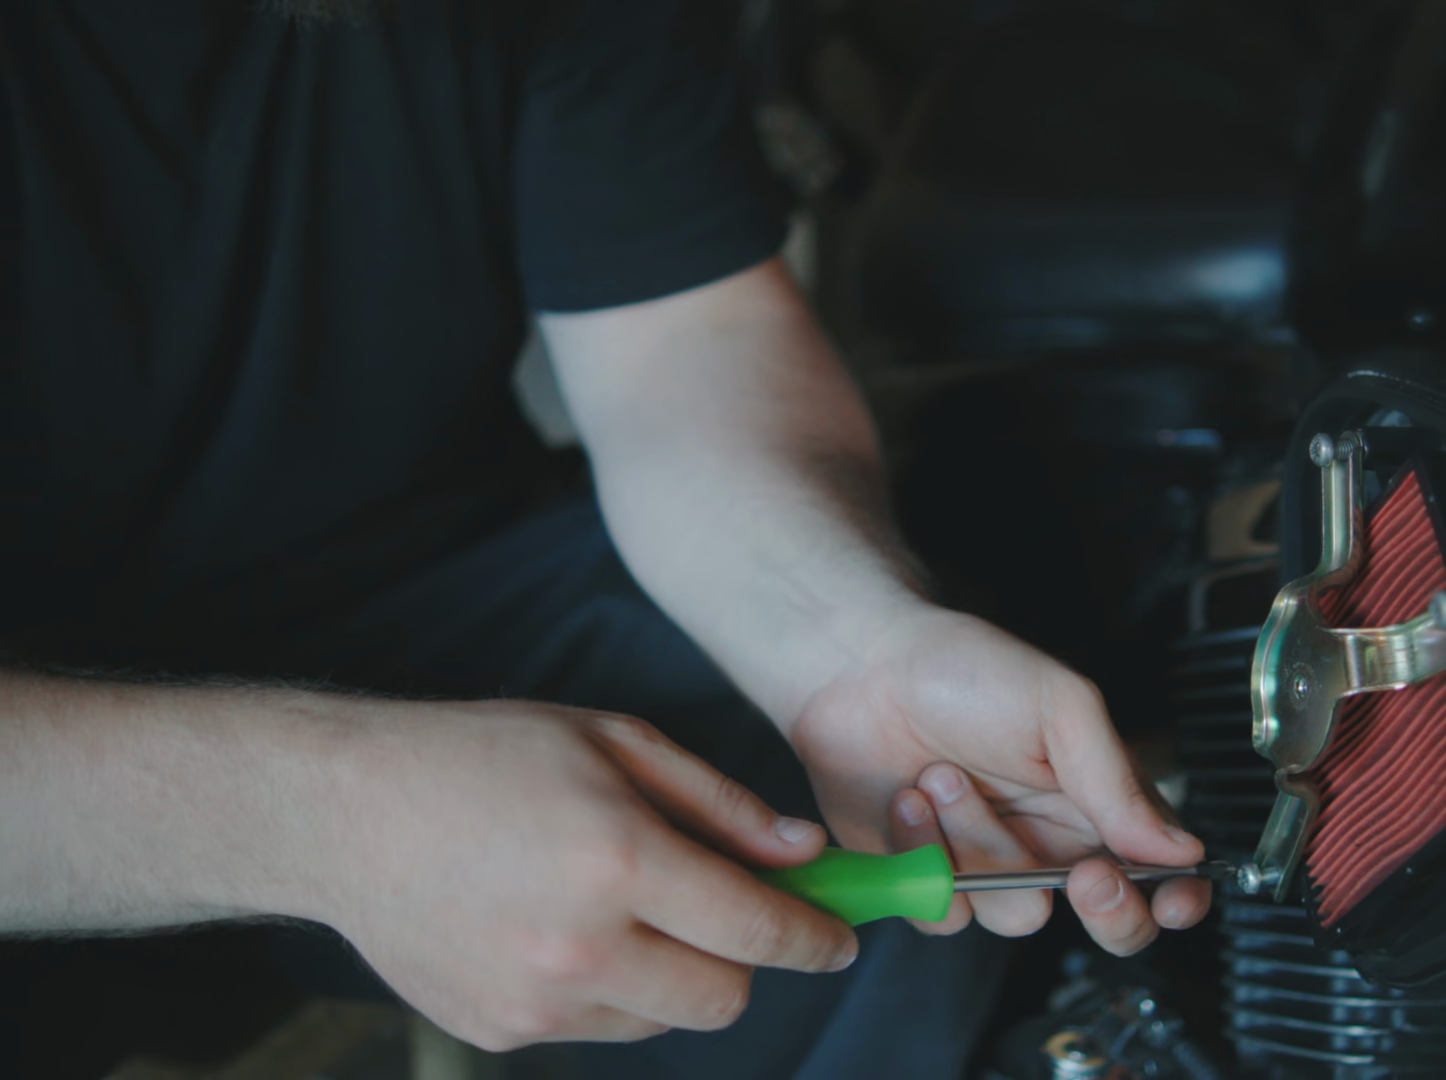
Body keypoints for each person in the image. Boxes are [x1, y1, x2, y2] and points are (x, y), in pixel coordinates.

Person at [0, 0, 1212, 1075]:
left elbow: (678, 341)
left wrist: (848, 644)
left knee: (887, 823)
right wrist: (331, 814)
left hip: (421, 584)